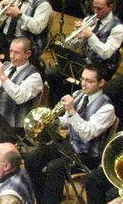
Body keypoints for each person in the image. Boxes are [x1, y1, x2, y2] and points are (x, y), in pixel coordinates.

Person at [24, 64, 116, 203]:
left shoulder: (107, 109)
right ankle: (41, 197)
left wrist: (72, 111)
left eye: (89, 81)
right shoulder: (79, 95)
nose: (84, 84)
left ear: (101, 83)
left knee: (55, 167)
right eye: (82, 79)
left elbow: (87, 134)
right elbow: (67, 122)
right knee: (32, 157)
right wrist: (50, 120)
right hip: (68, 146)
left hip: (88, 155)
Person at [47, 0, 123, 101]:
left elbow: (106, 53)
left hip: (101, 66)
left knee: (84, 84)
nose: (96, 11)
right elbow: (74, 46)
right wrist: (77, 36)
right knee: (51, 73)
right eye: (94, 7)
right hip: (83, 61)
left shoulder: (118, 28)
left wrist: (90, 36)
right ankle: (59, 104)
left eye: (100, 8)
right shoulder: (89, 20)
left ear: (110, 7)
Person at [0, 37, 43, 136]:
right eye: (11, 51)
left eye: (17, 52)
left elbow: (19, 97)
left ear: (28, 54)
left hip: (11, 126)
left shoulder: (34, 77)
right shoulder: (6, 66)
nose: (12, 56)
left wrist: (2, 76)